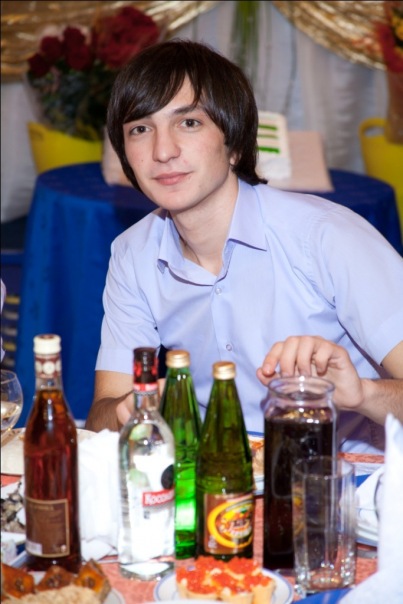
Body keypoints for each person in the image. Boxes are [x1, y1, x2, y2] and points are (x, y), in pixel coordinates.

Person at [86, 39, 403, 453]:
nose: (162, 151)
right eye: (140, 130)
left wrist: (362, 393)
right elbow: (100, 419)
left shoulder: (326, 237)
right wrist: (127, 410)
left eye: (189, 123)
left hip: (345, 475)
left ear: (234, 145)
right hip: (214, 475)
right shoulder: (133, 254)